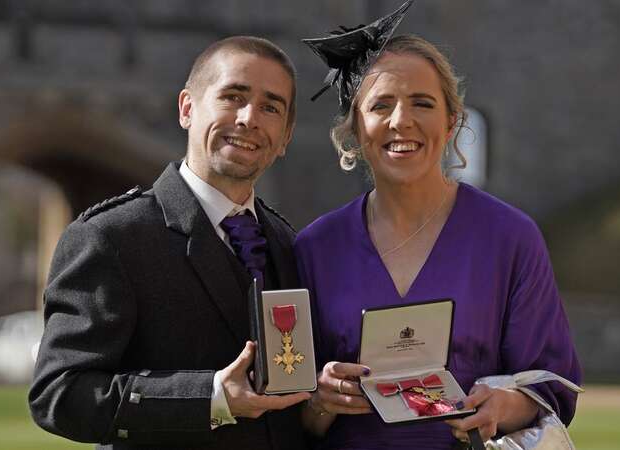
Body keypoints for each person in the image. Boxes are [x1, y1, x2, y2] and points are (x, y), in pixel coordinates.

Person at [295, 3, 582, 449]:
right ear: (355, 129)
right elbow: (288, 416)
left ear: (452, 121)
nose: (400, 121)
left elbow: (552, 387)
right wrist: (320, 398)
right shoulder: (314, 248)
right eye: (381, 105)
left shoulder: (510, 238)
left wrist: (504, 405)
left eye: (422, 103)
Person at [29, 36, 312, 450]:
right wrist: (212, 398)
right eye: (233, 96)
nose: (250, 118)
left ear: (285, 137)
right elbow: (60, 394)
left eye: (271, 107)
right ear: (187, 109)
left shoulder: (288, 242)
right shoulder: (111, 237)